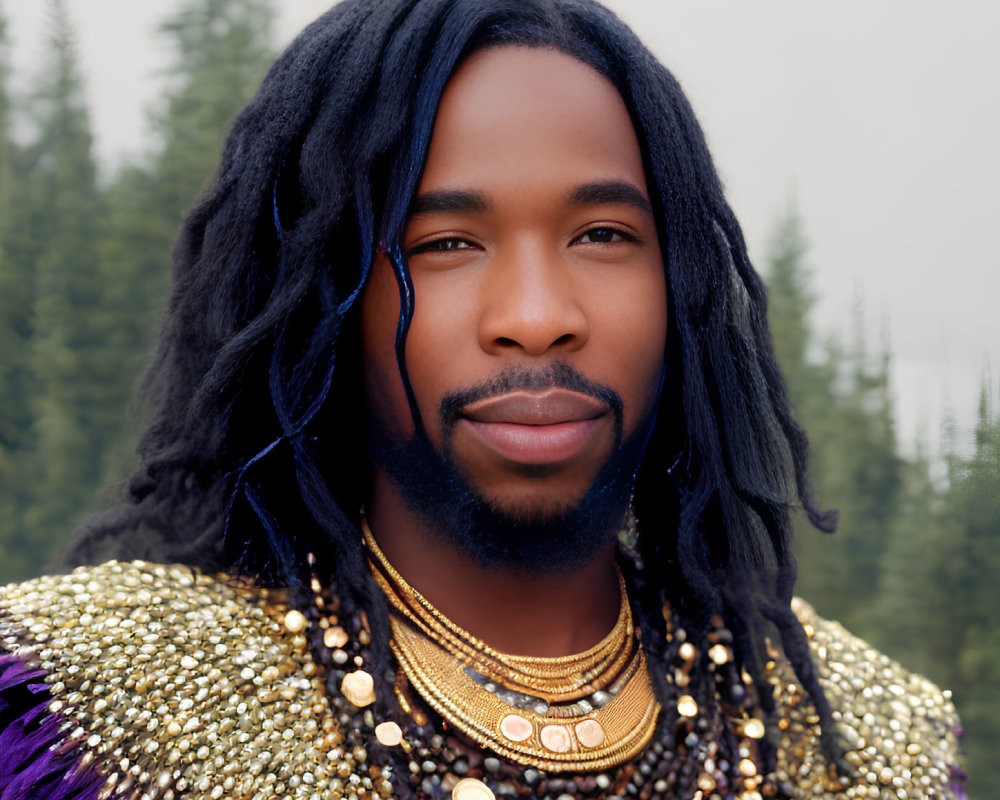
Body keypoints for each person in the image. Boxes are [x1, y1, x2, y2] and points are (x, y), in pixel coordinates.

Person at [0, 1, 963, 798]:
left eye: (602, 235)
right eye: (446, 245)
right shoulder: (88, 716)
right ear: (322, 300)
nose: (539, 317)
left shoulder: (872, 750)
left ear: (680, 289)